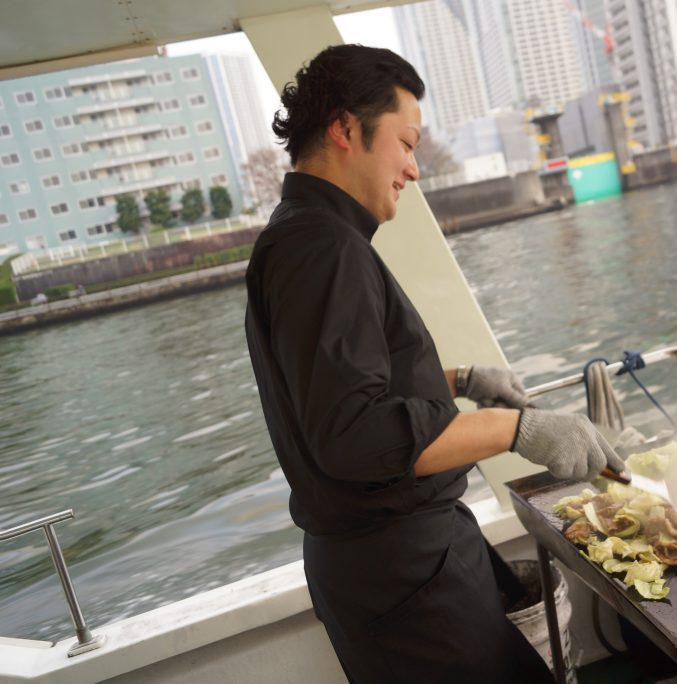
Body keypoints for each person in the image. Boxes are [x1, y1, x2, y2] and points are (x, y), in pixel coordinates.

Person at [244, 44, 624, 684]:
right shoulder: (323, 248)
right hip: (402, 578)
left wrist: (462, 382)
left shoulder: (304, 236)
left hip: (395, 571)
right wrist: (519, 431)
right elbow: (357, 439)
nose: (414, 170)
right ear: (344, 129)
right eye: (407, 143)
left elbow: (340, 392)